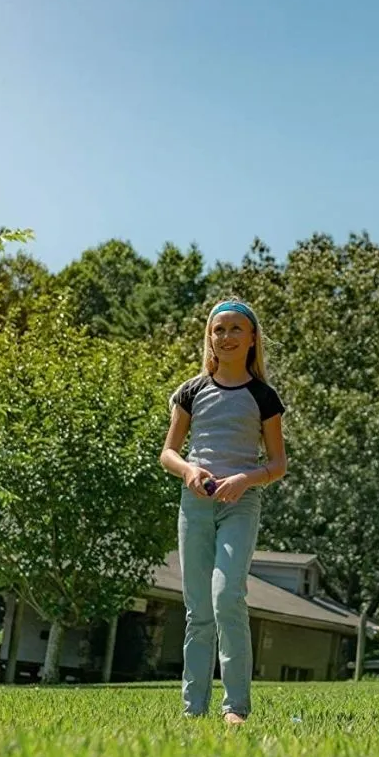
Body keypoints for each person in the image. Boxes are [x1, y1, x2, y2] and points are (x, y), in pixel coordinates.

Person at [160, 298, 287, 724]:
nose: (227, 336)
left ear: (252, 339)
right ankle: (193, 709)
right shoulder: (191, 392)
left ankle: (236, 708)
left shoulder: (263, 397)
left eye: (236, 329)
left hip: (240, 504)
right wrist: (189, 470)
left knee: (227, 596)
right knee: (198, 609)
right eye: (219, 329)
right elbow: (168, 453)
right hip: (195, 505)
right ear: (209, 339)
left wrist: (243, 480)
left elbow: (277, 464)